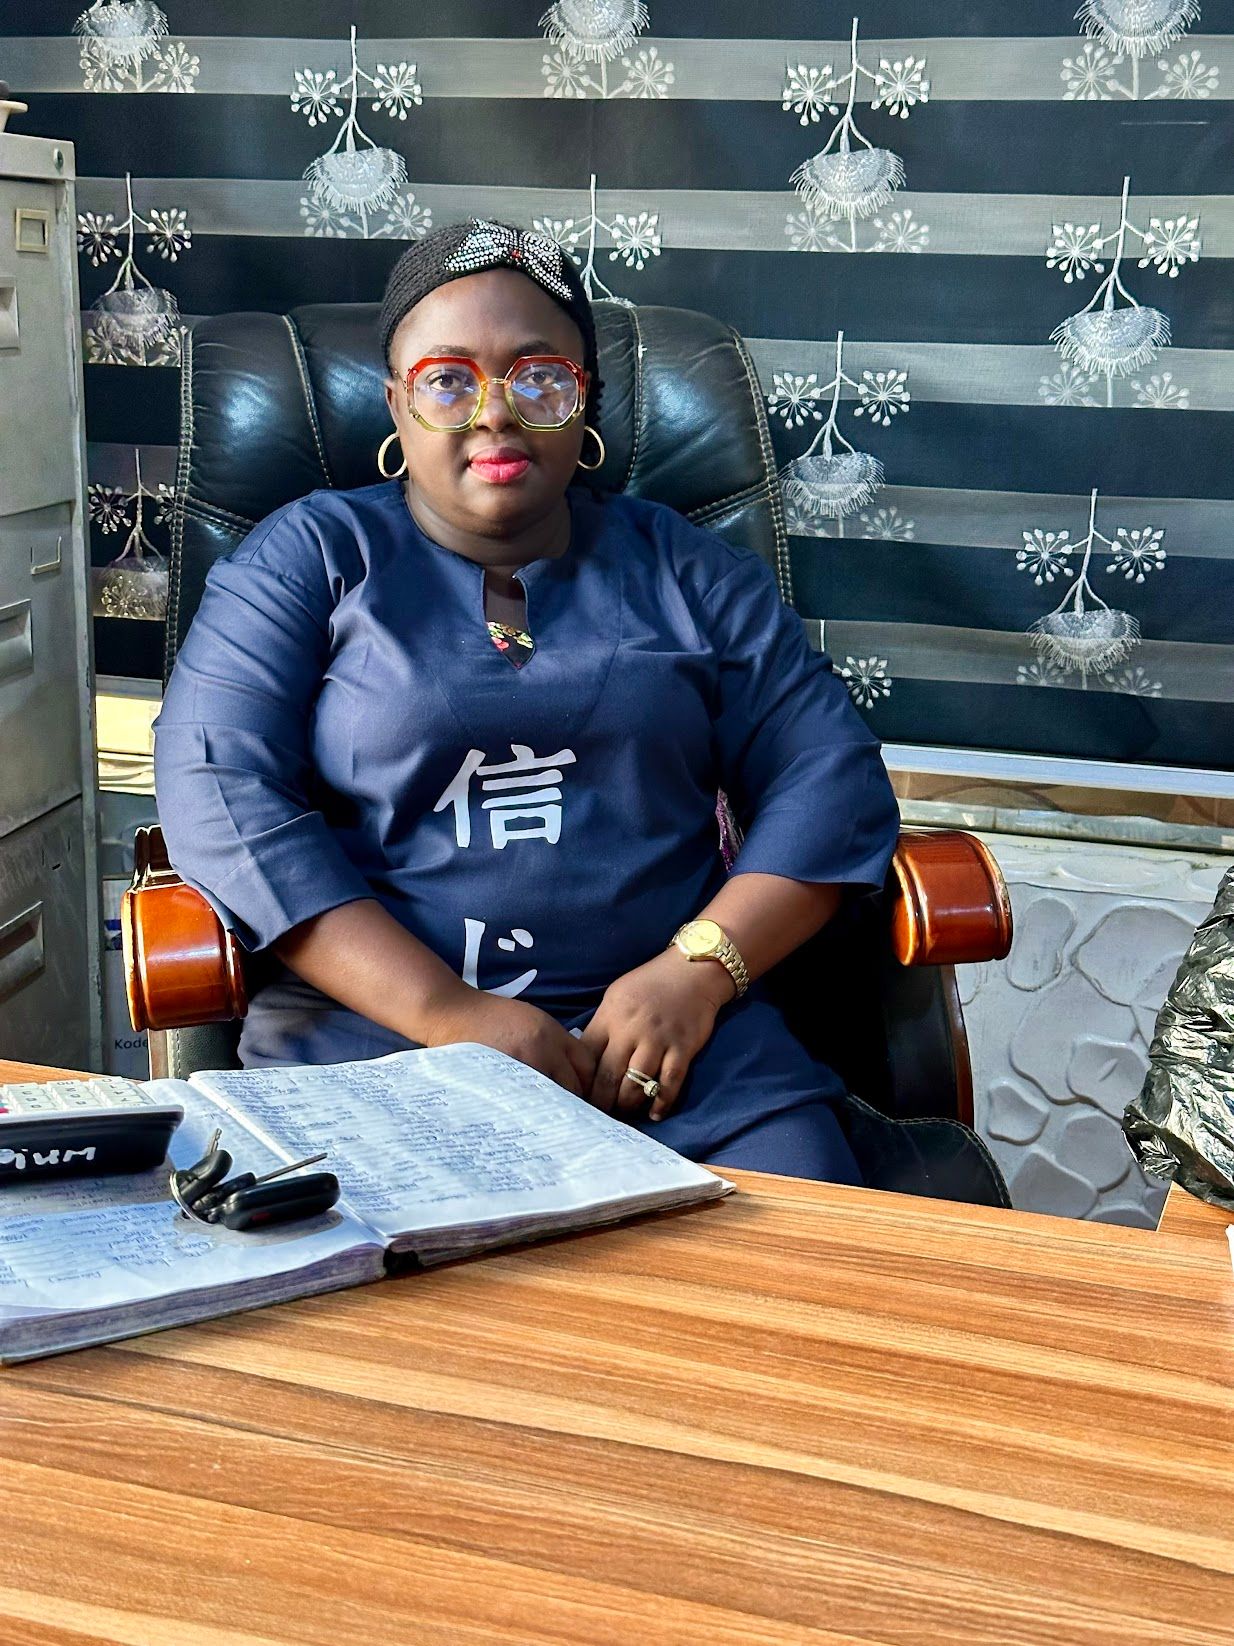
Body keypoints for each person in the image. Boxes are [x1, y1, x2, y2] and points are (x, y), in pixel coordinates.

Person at [153, 217, 901, 1182]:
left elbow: (829, 777)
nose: (495, 413)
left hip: (678, 1063)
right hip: (373, 1052)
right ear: (396, 404)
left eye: (539, 376)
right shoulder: (310, 557)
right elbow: (217, 786)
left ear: (584, 400)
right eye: (448, 380)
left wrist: (699, 971)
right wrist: (446, 1014)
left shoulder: (687, 569)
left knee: (800, 1268)